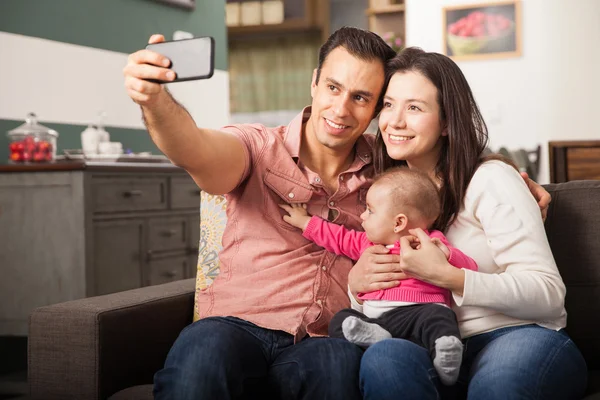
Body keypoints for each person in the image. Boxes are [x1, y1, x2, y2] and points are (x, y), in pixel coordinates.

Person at [123, 25, 552, 399]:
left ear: (373, 107)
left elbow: (444, 161)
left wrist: (513, 177)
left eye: (363, 98)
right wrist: (155, 102)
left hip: (325, 337)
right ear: (314, 82)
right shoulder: (256, 146)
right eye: (333, 88)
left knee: (338, 370)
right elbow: (194, 150)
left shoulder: (386, 170)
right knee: (201, 358)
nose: (342, 110)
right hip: (237, 325)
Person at [348, 47, 588, 399]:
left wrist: (448, 276)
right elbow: (380, 299)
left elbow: (548, 294)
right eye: (388, 104)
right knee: (384, 359)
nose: (394, 121)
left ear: (446, 122)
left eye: (414, 107)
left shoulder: (490, 180)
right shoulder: (386, 195)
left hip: (517, 335)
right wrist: (356, 288)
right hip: (433, 346)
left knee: (497, 386)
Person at [280, 166, 478, 385]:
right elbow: (338, 237)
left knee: (440, 317)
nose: (362, 215)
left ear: (398, 223)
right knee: (340, 319)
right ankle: (374, 337)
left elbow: (470, 267)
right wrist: (305, 222)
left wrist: (447, 254)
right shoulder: (366, 243)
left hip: (420, 312)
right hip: (377, 320)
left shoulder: (431, 242)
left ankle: (446, 352)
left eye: (370, 210)